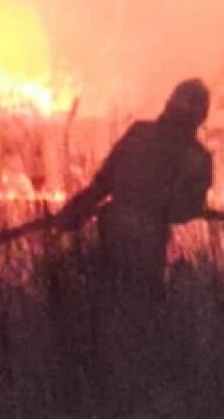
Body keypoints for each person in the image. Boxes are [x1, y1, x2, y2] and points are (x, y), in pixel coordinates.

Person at [56, 78, 213, 285]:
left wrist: (74, 212)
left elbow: (103, 182)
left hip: (113, 229)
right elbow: (187, 210)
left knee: (110, 294)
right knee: (142, 301)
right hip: (150, 239)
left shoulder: (139, 133)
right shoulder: (198, 156)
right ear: (201, 117)